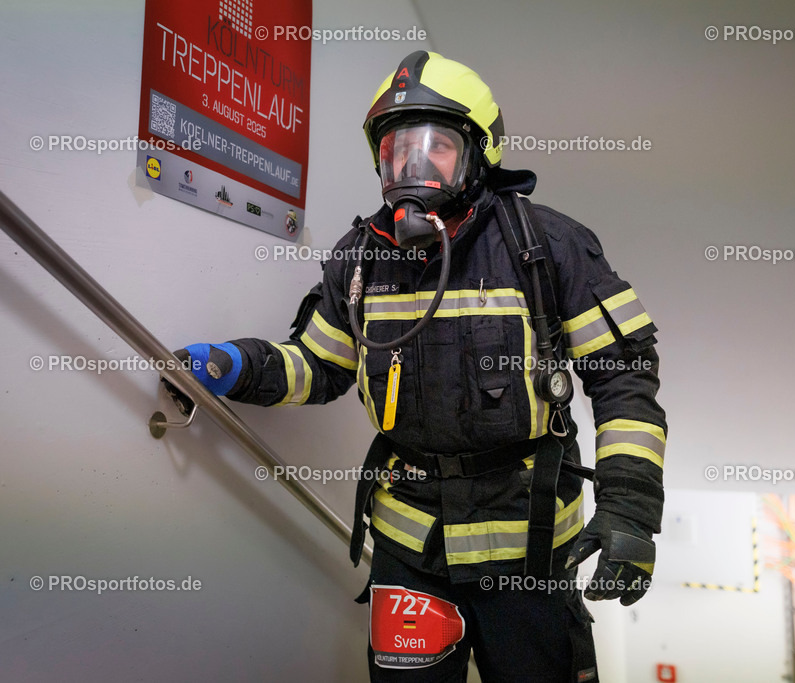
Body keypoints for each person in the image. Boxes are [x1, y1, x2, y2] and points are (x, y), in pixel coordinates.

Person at [172, 51, 667, 683]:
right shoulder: (358, 263)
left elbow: (624, 379)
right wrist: (238, 365)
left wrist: (629, 510)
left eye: (435, 145)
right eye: (396, 147)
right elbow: (318, 367)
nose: (410, 163)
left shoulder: (547, 248)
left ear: (478, 153)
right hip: (409, 555)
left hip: (529, 552)